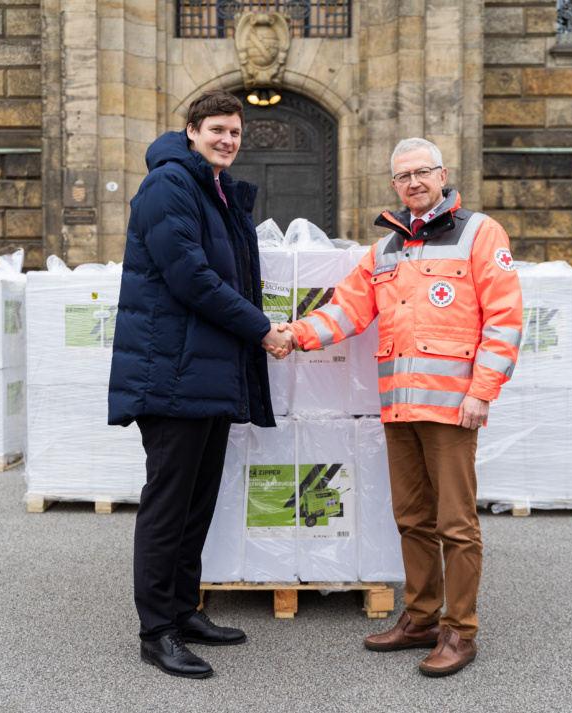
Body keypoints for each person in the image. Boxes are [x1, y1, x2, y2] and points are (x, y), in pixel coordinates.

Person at [281, 137, 523, 677]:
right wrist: (291, 335)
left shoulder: (480, 234)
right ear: (394, 185)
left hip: (454, 408)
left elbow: (505, 318)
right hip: (401, 409)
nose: (412, 183)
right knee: (412, 518)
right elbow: (344, 312)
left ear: (442, 175)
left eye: (422, 173)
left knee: (456, 524)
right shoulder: (385, 251)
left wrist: (482, 393)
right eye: (402, 176)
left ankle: (460, 631)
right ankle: (421, 619)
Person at [108, 90, 292, 680]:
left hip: (205, 372)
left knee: (196, 504)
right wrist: (262, 329)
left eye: (235, 133)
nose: (227, 140)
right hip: (171, 372)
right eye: (217, 129)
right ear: (191, 131)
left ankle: (184, 610)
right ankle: (155, 631)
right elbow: (191, 277)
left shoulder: (212, 190)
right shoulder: (170, 186)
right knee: (167, 507)